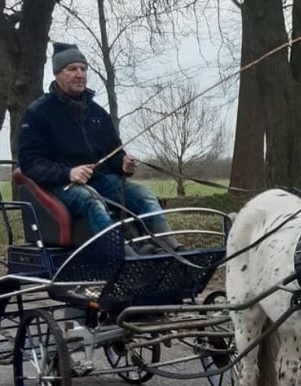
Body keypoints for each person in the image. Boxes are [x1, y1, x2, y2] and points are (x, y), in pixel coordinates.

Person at [18, 42, 182, 254]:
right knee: (91, 200)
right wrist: (68, 173)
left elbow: (114, 150)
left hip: (102, 181)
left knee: (143, 193)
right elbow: (29, 162)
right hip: (59, 186)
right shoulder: (38, 113)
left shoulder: (97, 113)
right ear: (57, 74)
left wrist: (123, 164)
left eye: (83, 69)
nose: (79, 74)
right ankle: (126, 258)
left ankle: (173, 251)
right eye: (72, 69)